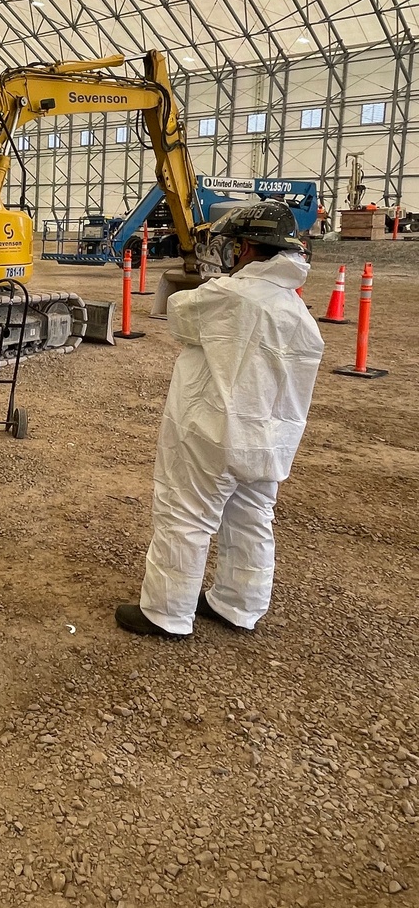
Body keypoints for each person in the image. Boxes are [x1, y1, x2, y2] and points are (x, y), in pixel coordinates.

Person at [115, 201, 324, 639]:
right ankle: (238, 605)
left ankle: (167, 612)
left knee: (185, 514)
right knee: (252, 517)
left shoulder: (230, 295)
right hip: (269, 437)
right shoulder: (296, 309)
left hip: (213, 431)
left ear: (246, 247)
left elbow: (179, 314)